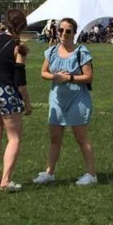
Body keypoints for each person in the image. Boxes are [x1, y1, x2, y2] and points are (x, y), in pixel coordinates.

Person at [33, 17, 97, 186]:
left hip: (78, 99)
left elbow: (89, 77)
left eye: (68, 31)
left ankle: (91, 174)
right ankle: (49, 172)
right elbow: (43, 72)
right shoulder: (52, 51)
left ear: (74, 33)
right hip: (57, 99)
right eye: (61, 30)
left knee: (81, 138)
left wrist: (68, 77)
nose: (63, 33)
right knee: (54, 138)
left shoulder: (81, 52)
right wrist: (55, 76)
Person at [0, 9, 33, 192]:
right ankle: (5, 180)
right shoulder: (19, 46)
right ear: (23, 25)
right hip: (7, 92)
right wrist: (27, 103)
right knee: (14, 138)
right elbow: (20, 81)